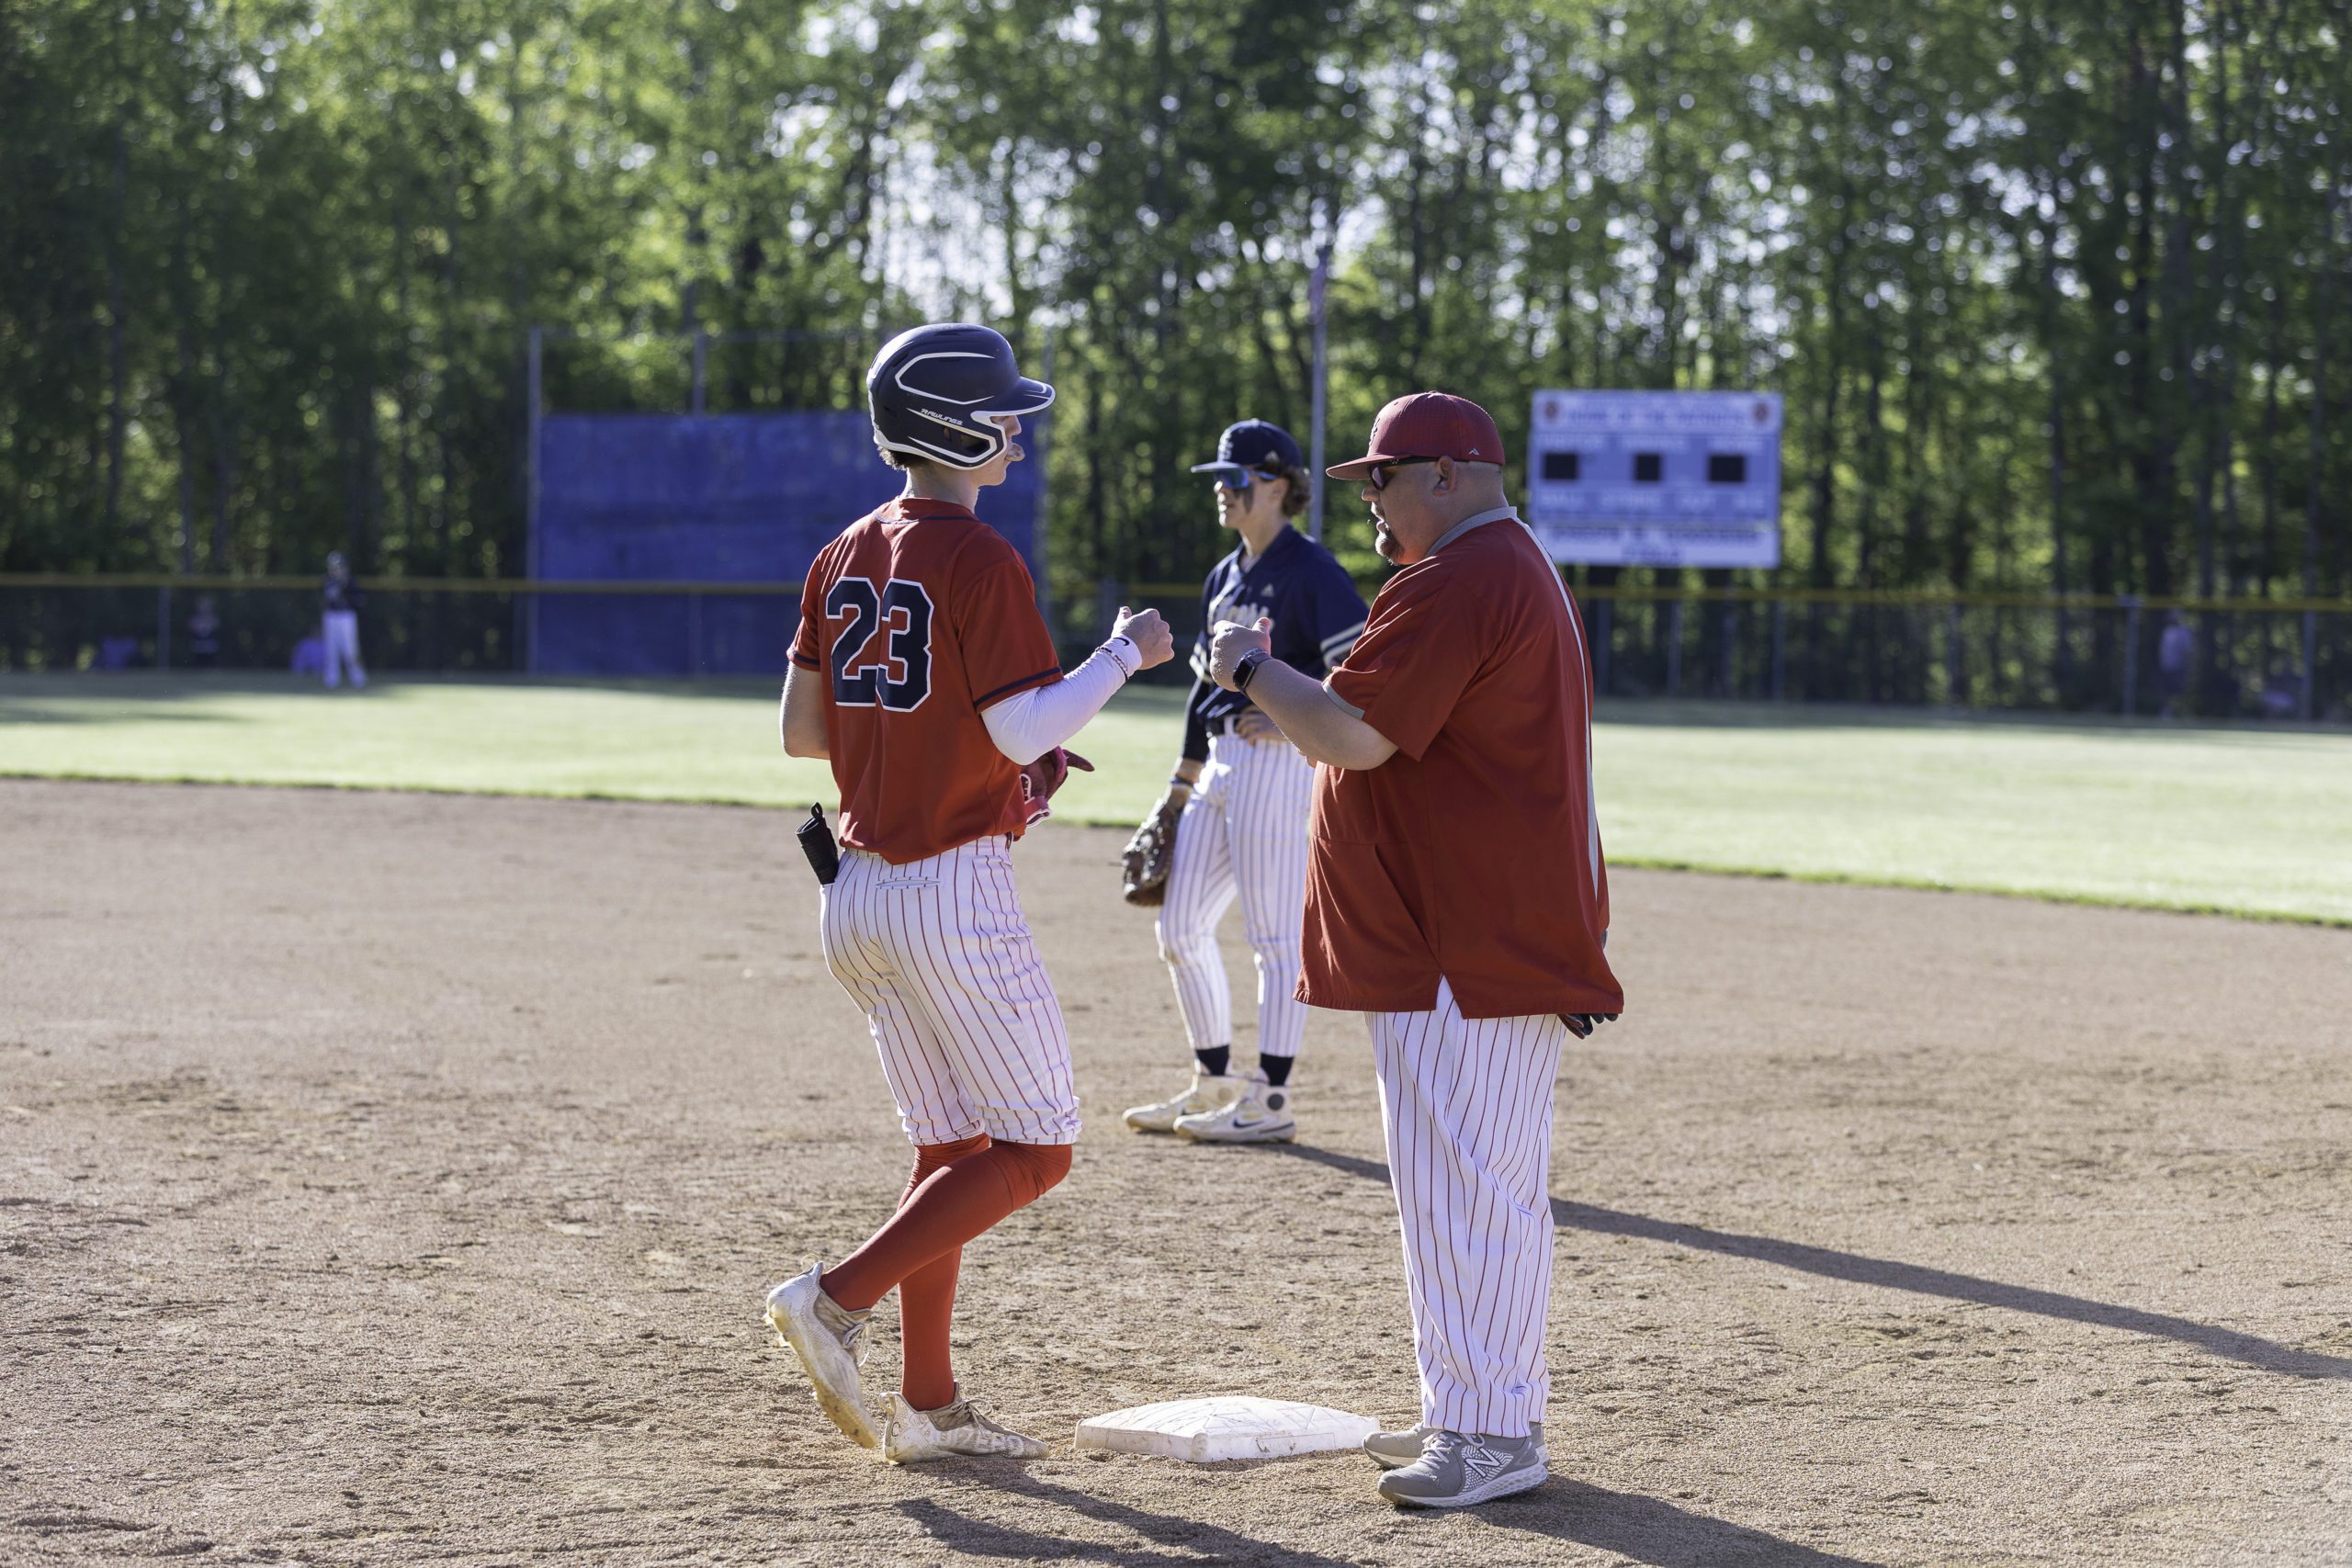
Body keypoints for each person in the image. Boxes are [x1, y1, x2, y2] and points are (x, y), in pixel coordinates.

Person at [768, 322, 1175, 1464]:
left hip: (853, 891)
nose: (1016, 431)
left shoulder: (842, 549)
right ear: (952, 425)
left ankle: (929, 1404)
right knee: (1039, 1149)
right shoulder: (979, 557)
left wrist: (955, 746)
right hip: (948, 890)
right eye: (1002, 414)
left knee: (952, 1149)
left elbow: (805, 735)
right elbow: (1023, 724)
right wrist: (1122, 657)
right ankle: (834, 1298)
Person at [1206, 390, 1622, 1509]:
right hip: (1468, 935)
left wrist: (1245, 664)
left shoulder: (1464, 577)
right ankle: (1473, 1409)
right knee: (1456, 1189)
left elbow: (1352, 732)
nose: (1370, 504)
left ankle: (1490, 1432)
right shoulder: (1498, 567)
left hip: (1467, 944)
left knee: (1472, 1193)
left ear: (1447, 473)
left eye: (1381, 480)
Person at [1121, 420, 1366, 1145]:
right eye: (1220, 480)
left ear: (1280, 486)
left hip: (1278, 764)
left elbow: (1357, 675)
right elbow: (1204, 696)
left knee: (1271, 935)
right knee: (1179, 923)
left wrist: (1298, 713)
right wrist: (1177, 787)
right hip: (1219, 767)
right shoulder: (1224, 576)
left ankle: (1273, 1095)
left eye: (1237, 480)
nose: (1222, 491)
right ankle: (1215, 1080)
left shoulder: (1312, 571)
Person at [321, 552, 367, 690]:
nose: (336, 570)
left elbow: (359, 600)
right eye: (333, 567)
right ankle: (331, 679)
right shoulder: (327, 580)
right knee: (331, 649)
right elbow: (324, 599)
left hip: (347, 616)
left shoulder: (351, 581)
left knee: (350, 649)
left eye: (339, 567)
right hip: (331, 616)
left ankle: (358, 678)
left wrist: (345, 586)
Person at [2157, 611, 2193, 719]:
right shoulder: (2167, 632)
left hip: (2179, 666)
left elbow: (2188, 651)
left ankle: (2183, 712)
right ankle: (2167, 711)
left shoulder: (2183, 632)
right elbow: (2162, 651)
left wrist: (2187, 664)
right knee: (2167, 690)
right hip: (2167, 666)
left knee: (2180, 691)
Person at [187, 594, 221, 669]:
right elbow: (192, 627)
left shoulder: (213, 618)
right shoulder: (195, 618)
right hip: (198, 644)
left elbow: (216, 626)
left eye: (206, 604)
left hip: (209, 644)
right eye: (202, 604)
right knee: (197, 664)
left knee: (211, 664)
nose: (204, 606)